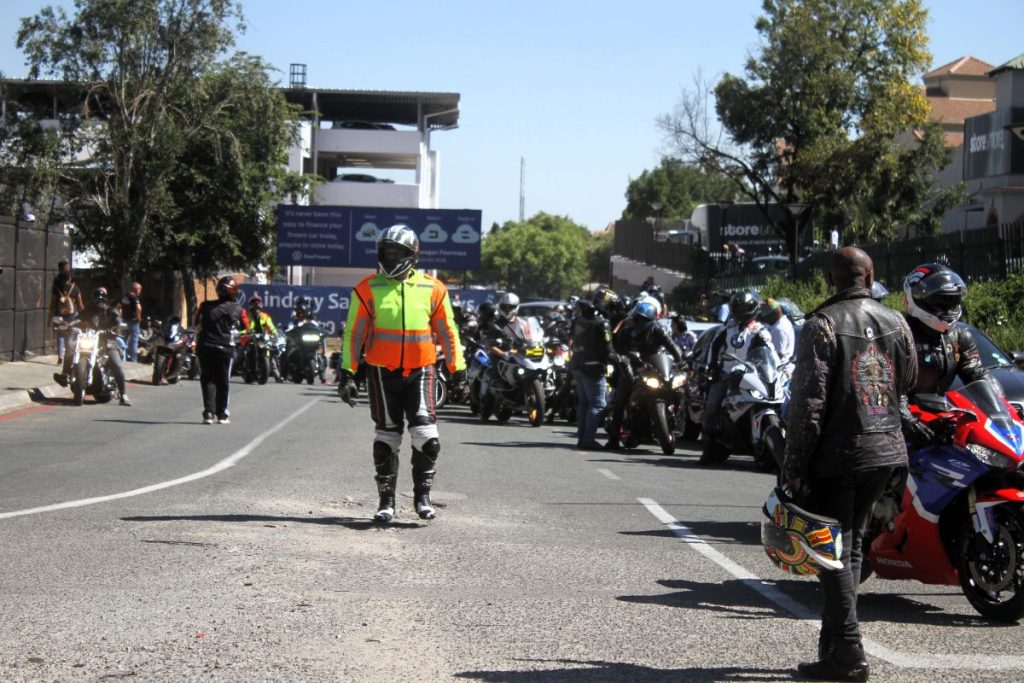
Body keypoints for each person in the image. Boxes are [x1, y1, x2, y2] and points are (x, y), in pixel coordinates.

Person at [782, 247, 916, 682]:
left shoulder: (821, 324)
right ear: (871, 275)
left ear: (829, 279)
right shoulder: (897, 322)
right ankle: (833, 648)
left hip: (840, 455)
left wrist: (794, 463)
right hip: (886, 451)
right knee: (851, 546)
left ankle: (850, 653)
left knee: (831, 554)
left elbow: (808, 402)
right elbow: (908, 379)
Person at [339, 224, 465, 523]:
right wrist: (347, 372)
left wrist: (457, 368)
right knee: (387, 439)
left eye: (397, 253)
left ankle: (422, 497)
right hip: (382, 373)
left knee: (426, 436)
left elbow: (448, 331)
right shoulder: (367, 288)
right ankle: (386, 502)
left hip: (422, 370)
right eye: (386, 252)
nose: (391, 257)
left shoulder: (434, 288)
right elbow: (354, 334)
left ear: (413, 255)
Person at [899, 263, 996, 446]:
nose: (948, 308)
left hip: (939, 420)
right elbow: (888, 386)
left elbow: (978, 373)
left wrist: (1002, 407)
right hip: (901, 427)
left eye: (952, 301)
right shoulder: (898, 334)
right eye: (941, 302)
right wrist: (906, 420)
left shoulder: (960, 336)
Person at [700, 290, 776, 459]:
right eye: (737, 308)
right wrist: (711, 367)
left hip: (750, 375)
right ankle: (708, 448)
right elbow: (714, 347)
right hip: (726, 374)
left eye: (744, 308)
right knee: (712, 405)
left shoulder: (760, 331)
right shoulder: (727, 328)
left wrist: (777, 369)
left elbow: (770, 354)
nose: (741, 312)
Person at [605, 299, 683, 450]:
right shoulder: (626, 332)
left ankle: (680, 418)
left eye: (643, 319)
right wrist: (626, 359)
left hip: (655, 367)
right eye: (637, 318)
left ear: (651, 319)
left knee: (679, 386)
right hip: (631, 368)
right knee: (620, 401)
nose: (639, 321)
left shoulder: (658, 330)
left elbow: (672, 347)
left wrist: (681, 361)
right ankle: (613, 438)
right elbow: (619, 350)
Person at [54, 286, 131, 406]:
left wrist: (118, 327)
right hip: (89, 340)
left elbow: (119, 321)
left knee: (117, 365)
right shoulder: (87, 311)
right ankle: (65, 375)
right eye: (96, 300)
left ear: (105, 300)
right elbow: (77, 319)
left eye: (101, 300)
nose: (98, 303)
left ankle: (123, 395)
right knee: (71, 348)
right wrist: (68, 325)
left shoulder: (111, 311)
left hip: (107, 343)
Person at [194, 276, 245, 425]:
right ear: (234, 292)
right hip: (225, 349)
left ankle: (208, 413)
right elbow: (246, 328)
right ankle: (222, 414)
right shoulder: (238, 309)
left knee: (207, 379)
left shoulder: (204, 306)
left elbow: (197, 322)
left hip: (205, 347)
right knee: (223, 381)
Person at [569, 298, 613, 450]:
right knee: (598, 403)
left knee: (584, 403)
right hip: (592, 368)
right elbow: (608, 348)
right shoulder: (602, 324)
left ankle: (582, 438)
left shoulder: (579, 322)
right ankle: (588, 440)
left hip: (577, 365)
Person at [49, 262, 84, 364]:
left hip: (59, 314)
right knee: (70, 335)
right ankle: (69, 354)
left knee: (60, 335)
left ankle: (60, 355)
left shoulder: (56, 286)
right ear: (69, 278)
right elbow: (80, 305)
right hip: (71, 316)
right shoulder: (75, 288)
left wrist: (49, 319)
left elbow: (52, 304)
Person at [758, 298, 796, 364]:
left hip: (781, 369)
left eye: (767, 316)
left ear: (775, 313)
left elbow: (778, 355)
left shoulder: (779, 329)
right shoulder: (784, 321)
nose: (765, 319)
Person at [121, 282, 143, 361]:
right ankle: (134, 359)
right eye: (139, 289)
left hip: (124, 320)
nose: (140, 291)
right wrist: (139, 317)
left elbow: (119, 306)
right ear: (136, 289)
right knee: (134, 340)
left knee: (125, 339)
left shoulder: (125, 296)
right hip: (133, 321)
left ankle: (124, 357)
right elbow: (139, 308)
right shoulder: (134, 297)